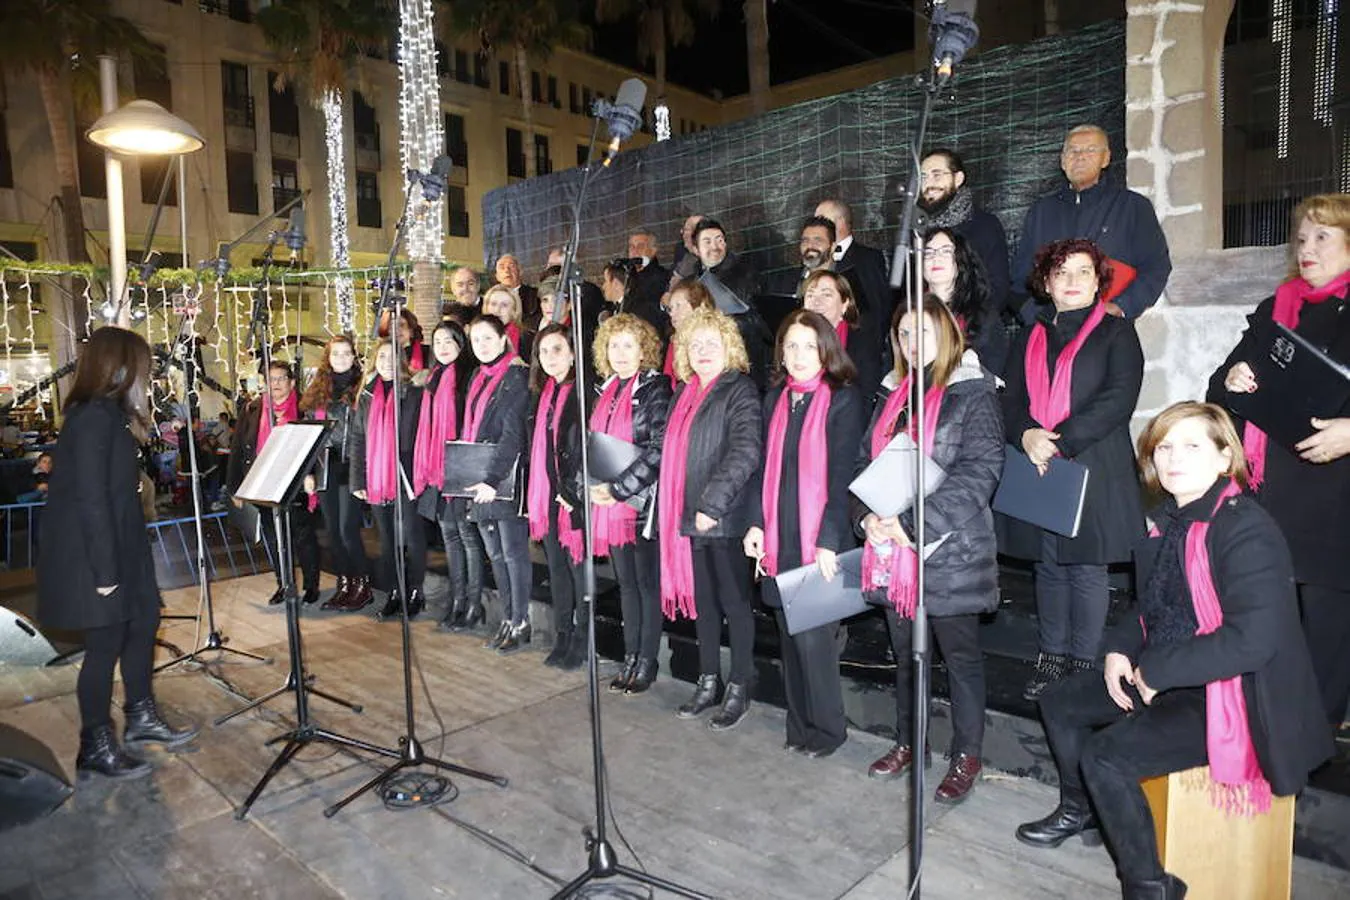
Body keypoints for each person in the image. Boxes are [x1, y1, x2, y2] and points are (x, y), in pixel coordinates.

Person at [1015, 401, 1333, 900]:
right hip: (1172, 672)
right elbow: (1153, 604)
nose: (1172, 458)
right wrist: (1120, 649)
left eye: (1191, 446)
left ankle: (1150, 888)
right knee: (1059, 701)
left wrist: (1156, 670)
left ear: (1225, 457)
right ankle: (1081, 812)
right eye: (1163, 446)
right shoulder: (1174, 518)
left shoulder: (1246, 529)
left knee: (1108, 756)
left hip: (1235, 695)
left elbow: (1252, 641)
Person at [1207, 193, 1350, 734]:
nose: (1306, 248)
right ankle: (1269, 721)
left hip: (1333, 496)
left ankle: (1316, 733)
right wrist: (1234, 379)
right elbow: (1220, 384)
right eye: (1302, 237)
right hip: (1268, 489)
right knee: (1269, 613)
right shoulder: (1278, 307)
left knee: (1328, 623)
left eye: (1323, 237)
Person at [858, 297, 1003, 803]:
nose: (912, 342)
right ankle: (908, 741)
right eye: (903, 333)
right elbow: (865, 462)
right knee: (906, 657)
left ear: (946, 334)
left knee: (960, 659)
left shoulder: (973, 395)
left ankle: (967, 755)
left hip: (951, 548)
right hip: (895, 555)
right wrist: (868, 518)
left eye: (922, 331)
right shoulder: (891, 394)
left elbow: (980, 473)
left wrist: (913, 524)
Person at [37, 327, 198, 780]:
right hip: (96, 557)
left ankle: (141, 716)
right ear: (121, 368)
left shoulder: (109, 415)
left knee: (143, 624)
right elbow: (91, 500)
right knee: (104, 646)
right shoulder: (92, 418)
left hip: (124, 547)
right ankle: (95, 743)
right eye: (142, 368)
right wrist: (106, 572)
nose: (146, 377)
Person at [998, 238, 1145, 701]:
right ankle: (1050, 658)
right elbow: (1010, 399)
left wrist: (1058, 439)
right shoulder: (1029, 333)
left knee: (1085, 571)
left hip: (1093, 466)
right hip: (1038, 462)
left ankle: (1083, 664)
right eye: (1062, 273)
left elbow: (1118, 398)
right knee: (1049, 568)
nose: (1073, 281)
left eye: (1083, 272)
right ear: (1046, 283)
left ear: (1098, 280)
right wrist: (1025, 434)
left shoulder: (1117, 332)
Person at [745, 309, 865, 757]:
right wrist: (756, 522)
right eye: (790, 346)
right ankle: (798, 729)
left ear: (826, 350)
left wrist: (830, 538)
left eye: (807, 346)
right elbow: (762, 469)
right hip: (779, 534)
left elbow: (840, 478)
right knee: (789, 641)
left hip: (819, 536)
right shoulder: (776, 397)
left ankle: (828, 732)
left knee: (815, 643)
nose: (797, 355)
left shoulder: (843, 399)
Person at [659, 307, 764, 730]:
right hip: (688, 517)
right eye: (694, 344)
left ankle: (740, 684)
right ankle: (708, 680)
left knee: (735, 605)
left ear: (729, 347)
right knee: (704, 606)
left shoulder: (739, 389)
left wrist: (711, 505)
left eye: (711, 343)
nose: (702, 351)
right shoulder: (684, 393)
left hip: (725, 517)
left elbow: (745, 451)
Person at [1010, 124, 1172, 321]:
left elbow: (1156, 266)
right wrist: (1037, 315)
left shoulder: (1133, 207)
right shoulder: (1041, 211)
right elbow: (1023, 275)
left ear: (1106, 159)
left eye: (1091, 150)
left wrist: (1120, 307)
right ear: (1062, 161)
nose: (1080, 156)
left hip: (1108, 330)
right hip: (1050, 332)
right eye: (1073, 151)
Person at [590, 313, 673, 692]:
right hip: (612, 502)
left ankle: (648, 660)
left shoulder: (657, 388)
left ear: (645, 351)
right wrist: (592, 486)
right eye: (614, 345)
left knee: (645, 585)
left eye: (629, 345)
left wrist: (619, 489)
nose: (620, 353)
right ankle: (630, 657)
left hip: (641, 503)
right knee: (625, 585)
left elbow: (658, 449)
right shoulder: (606, 390)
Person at [409, 320, 487, 631]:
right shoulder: (434, 378)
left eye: (448, 341)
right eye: (437, 341)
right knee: (450, 538)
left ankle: (473, 604)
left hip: (460, 466)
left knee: (468, 539)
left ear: (460, 344)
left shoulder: (468, 376)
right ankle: (457, 601)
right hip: (436, 468)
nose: (442, 347)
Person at [462, 315, 534, 653]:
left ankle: (521, 621)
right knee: (495, 554)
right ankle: (508, 617)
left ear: (504, 338)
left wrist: (492, 479)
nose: (482, 345)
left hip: (502, 478)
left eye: (488, 338)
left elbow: (512, 436)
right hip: (480, 478)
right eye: (476, 340)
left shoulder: (515, 377)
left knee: (512, 553)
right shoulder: (478, 375)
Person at [228, 360, 322, 606]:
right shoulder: (252, 409)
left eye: (281, 378)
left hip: (296, 482)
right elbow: (237, 448)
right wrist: (234, 487)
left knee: (303, 536)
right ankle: (284, 584)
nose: (276, 384)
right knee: (273, 537)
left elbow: (316, 446)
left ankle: (311, 585)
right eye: (271, 379)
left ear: (292, 382)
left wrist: (312, 475)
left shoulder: (304, 409)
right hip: (264, 483)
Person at [350, 339, 427, 620]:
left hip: (405, 472)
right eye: (381, 356)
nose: (385, 361)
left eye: (391, 356)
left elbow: (420, 433)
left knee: (412, 534)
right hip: (377, 475)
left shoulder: (413, 391)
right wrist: (358, 479)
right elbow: (358, 439)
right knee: (387, 538)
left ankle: (416, 591)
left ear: (401, 360)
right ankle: (395, 591)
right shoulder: (368, 395)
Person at [527, 324, 587, 666]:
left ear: (573, 353)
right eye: (544, 351)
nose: (550, 358)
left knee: (578, 570)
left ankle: (582, 637)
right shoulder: (543, 394)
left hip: (571, 494)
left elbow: (586, 448)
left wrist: (573, 491)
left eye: (558, 350)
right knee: (557, 569)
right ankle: (562, 634)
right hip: (545, 493)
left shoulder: (583, 394)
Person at [300, 335, 372, 611]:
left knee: (347, 529)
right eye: (336, 354)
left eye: (346, 353)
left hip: (351, 464)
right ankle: (345, 584)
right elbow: (309, 435)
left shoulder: (362, 388)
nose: (341, 358)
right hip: (324, 467)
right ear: (328, 358)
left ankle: (362, 585)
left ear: (354, 357)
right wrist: (308, 473)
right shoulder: (317, 390)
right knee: (332, 531)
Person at [916, 148, 1011, 318]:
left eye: (937, 175)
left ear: (958, 179)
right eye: (923, 177)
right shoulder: (916, 230)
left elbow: (998, 289)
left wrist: (965, 327)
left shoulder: (984, 225)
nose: (929, 184)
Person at [692, 218, 772, 387]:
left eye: (719, 240)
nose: (715, 247)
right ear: (696, 249)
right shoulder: (692, 281)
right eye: (707, 241)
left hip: (742, 362)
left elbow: (760, 322)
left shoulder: (746, 275)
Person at [922, 226, 1009, 377]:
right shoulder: (909, 313)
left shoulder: (983, 316)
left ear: (960, 260)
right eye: (929, 252)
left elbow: (994, 371)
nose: (936, 258)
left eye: (946, 251)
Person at [801, 270, 882, 402]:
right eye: (810, 295)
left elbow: (866, 396)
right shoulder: (794, 339)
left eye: (826, 295)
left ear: (844, 305)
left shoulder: (861, 342)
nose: (816, 302)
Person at [815, 198, 891, 332]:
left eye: (821, 220)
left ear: (840, 222)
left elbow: (877, 312)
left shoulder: (868, 259)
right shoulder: (813, 261)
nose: (815, 227)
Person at [661, 280, 715, 385]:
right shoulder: (674, 341)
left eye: (678, 305)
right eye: (671, 308)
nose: (672, 313)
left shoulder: (713, 339)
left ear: (698, 306)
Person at [624, 230, 671, 327]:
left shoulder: (663, 277)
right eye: (631, 247)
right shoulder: (626, 277)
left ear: (653, 251)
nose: (635, 251)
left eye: (640, 246)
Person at [483, 284, 528, 362]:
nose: (497, 310)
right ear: (486, 308)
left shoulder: (526, 339)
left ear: (514, 311)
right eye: (493, 304)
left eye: (504, 305)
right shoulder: (476, 336)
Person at [379, 307, 430, 372]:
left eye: (401, 325)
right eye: (391, 326)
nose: (396, 330)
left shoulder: (428, 353)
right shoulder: (381, 355)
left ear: (411, 330)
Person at [493, 253, 540, 322]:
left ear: (520, 272)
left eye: (511, 266)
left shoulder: (535, 295)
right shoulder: (491, 299)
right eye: (502, 267)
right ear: (497, 276)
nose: (507, 270)